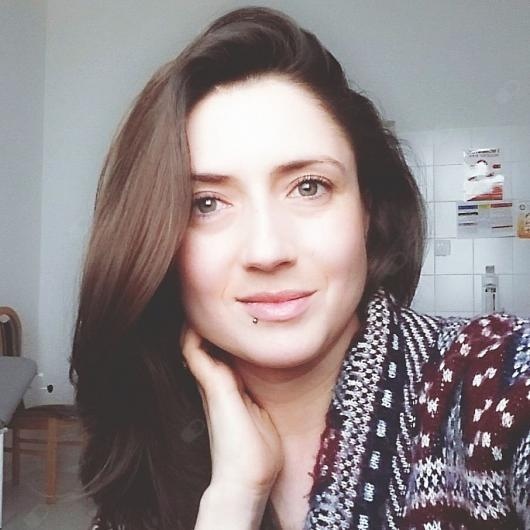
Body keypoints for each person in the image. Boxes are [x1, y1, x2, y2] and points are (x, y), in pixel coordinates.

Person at [69, 6, 530, 530]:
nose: (268, 251)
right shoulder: (148, 446)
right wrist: (233, 500)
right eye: (206, 203)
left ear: (368, 209)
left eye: (309, 187)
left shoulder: (492, 383)